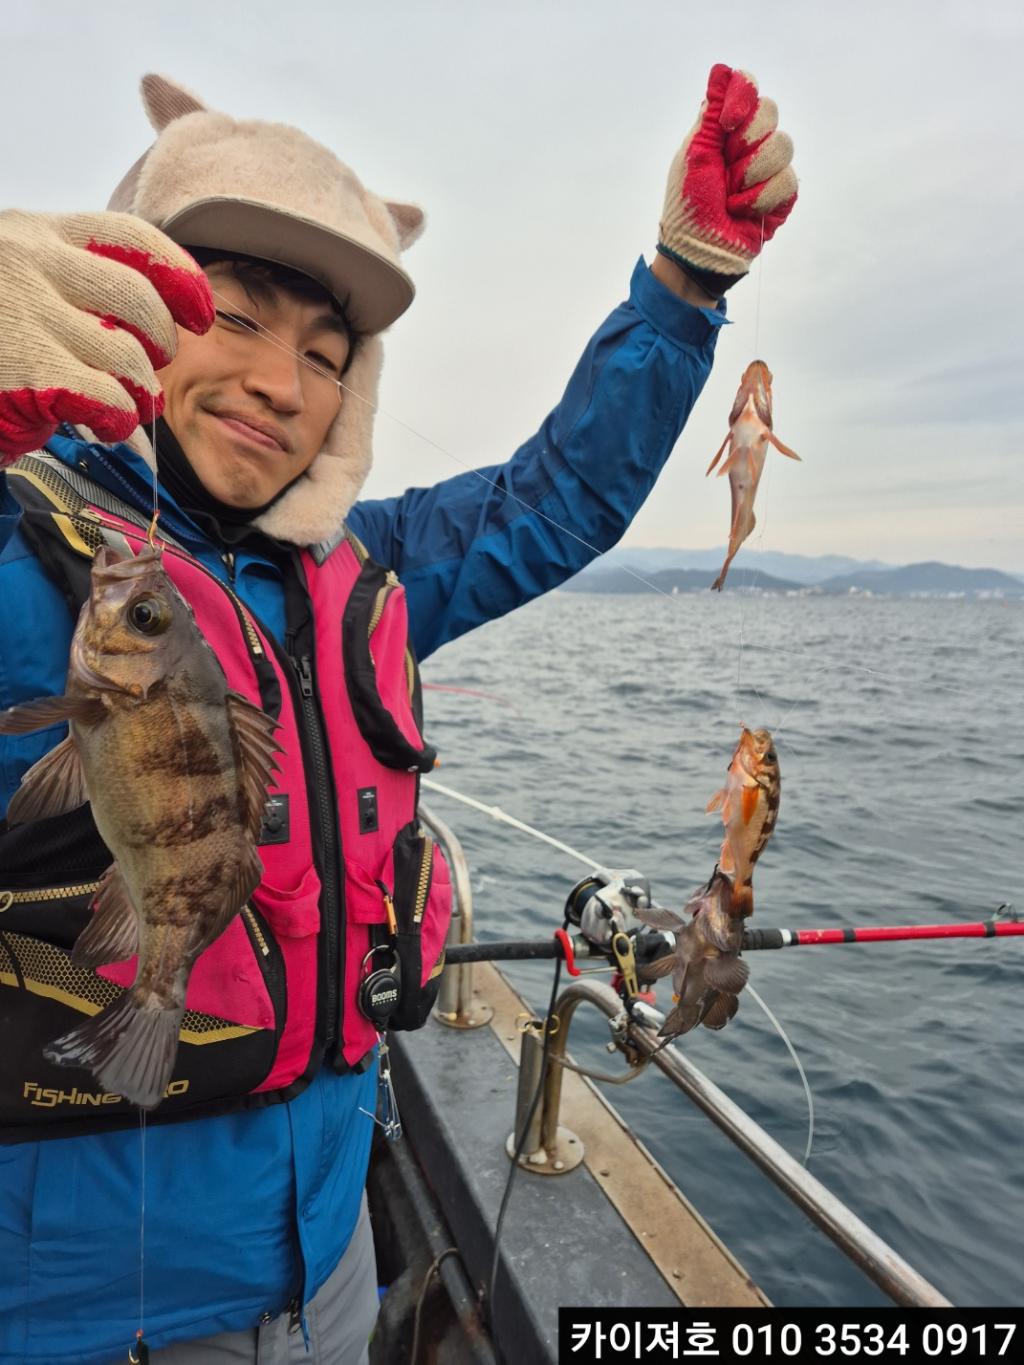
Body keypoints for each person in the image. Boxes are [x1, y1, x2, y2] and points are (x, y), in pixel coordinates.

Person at [0, 64, 796, 1364]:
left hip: (331, 1268)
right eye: (234, 317)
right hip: (74, 1316)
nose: (279, 382)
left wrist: (686, 285)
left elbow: (556, 496)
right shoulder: (25, 540)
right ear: (134, 308)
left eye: (325, 356)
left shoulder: (367, 567)